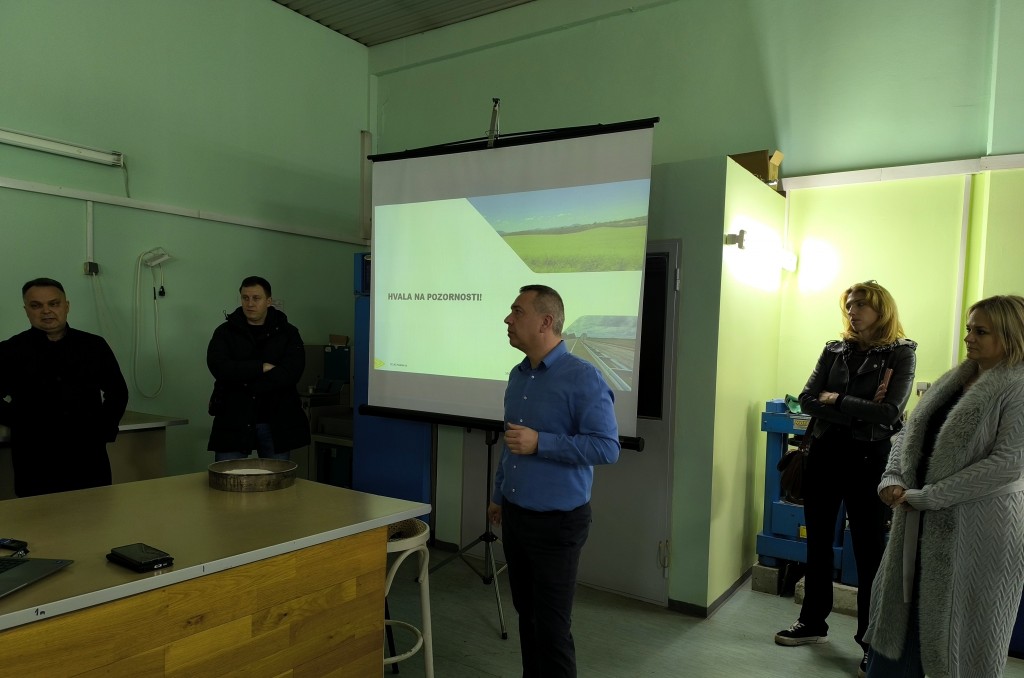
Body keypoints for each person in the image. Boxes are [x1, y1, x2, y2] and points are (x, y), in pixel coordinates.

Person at [864, 295, 1024, 677]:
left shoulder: (1018, 387)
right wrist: (893, 477)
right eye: (969, 328)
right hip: (917, 519)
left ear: (1011, 336)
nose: (969, 338)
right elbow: (909, 433)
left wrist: (930, 497)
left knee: (959, 643)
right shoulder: (954, 380)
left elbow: (1009, 463)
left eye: (981, 331)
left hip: (979, 530)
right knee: (898, 627)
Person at [775, 280, 917, 678]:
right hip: (824, 454)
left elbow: (890, 413)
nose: (853, 312)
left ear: (881, 311)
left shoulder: (901, 353)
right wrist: (859, 409)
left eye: (861, 306)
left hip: (870, 460)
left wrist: (835, 400)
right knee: (818, 542)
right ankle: (812, 623)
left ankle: (870, 643)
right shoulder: (835, 350)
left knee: (869, 552)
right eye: (850, 305)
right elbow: (807, 399)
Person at [486, 284, 620, 678]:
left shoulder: (583, 377)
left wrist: (541, 443)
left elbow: (607, 447)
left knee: (552, 628)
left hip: (557, 525)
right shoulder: (518, 376)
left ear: (545, 322)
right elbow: (512, 444)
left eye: (518, 311)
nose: (508, 319)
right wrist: (498, 495)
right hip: (515, 516)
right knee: (527, 618)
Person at [0, 278, 128, 496]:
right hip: (34, 457)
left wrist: (103, 430)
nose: (46, 311)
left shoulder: (93, 346)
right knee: (37, 515)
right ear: (26, 310)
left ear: (66, 306)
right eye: (36, 305)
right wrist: (23, 421)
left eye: (54, 303)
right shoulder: (10, 351)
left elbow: (117, 392)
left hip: (88, 454)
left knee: (95, 512)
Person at [207, 276, 309, 461]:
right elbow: (219, 367)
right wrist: (260, 368)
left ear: (268, 301)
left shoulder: (287, 332)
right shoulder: (225, 332)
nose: (250, 303)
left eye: (256, 298)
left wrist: (243, 379)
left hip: (276, 420)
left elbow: (291, 373)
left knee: (276, 477)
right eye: (245, 298)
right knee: (228, 475)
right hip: (233, 417)